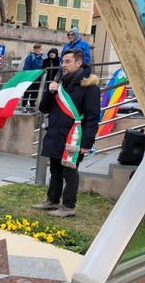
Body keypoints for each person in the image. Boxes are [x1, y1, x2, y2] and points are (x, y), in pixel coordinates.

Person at [33, 49, 100, 217]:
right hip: (56, 134)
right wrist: (51, 91)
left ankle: (69, 206)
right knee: (55, 171)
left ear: (78, 63)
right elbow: (43, 108)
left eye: (67, 62)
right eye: (63, 62)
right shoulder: (60, 83)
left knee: (69, 172)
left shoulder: (89, 86)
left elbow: (92, 117)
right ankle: (52, 200)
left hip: (73, 137)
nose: (63, 65)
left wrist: (86, 143)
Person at [21, 43, 44, 112]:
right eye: (36, 49)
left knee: (35, 93)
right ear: (33, 49)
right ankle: (23, 106)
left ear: (40, 50)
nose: (37, 50)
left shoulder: (41, 58)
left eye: (38, 49)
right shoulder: (30, 57)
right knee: (27, 92)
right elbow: (27, 67)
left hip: (38, 79)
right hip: (30, 78)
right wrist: (28, 77)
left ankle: (32, 106)